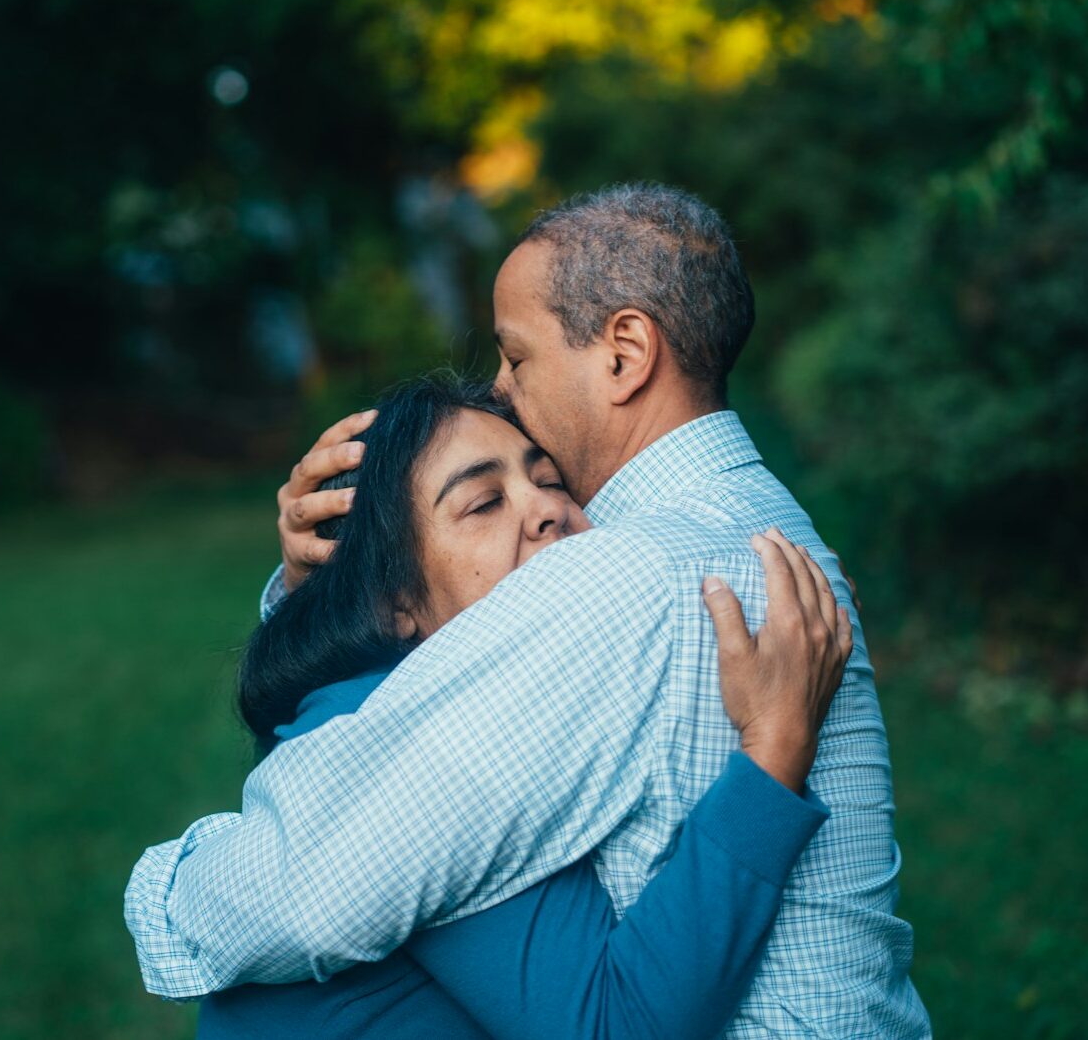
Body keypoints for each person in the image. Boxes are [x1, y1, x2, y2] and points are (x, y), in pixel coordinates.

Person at [126, 183, 931, 1036]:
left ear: (624, 352)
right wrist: (324, 581)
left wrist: (168, 890)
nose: (503, 391)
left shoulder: (623, 572)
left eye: (516, 357)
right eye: (483, 500)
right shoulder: (760, 525)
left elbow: (310, 886)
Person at [196, 375, 847, 1037]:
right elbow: (614, 1023)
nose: (545, 508)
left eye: (551, 480)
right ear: (393, 601)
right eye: (482, 503)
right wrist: (774, 748)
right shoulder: (425, 754)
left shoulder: (410, 692)